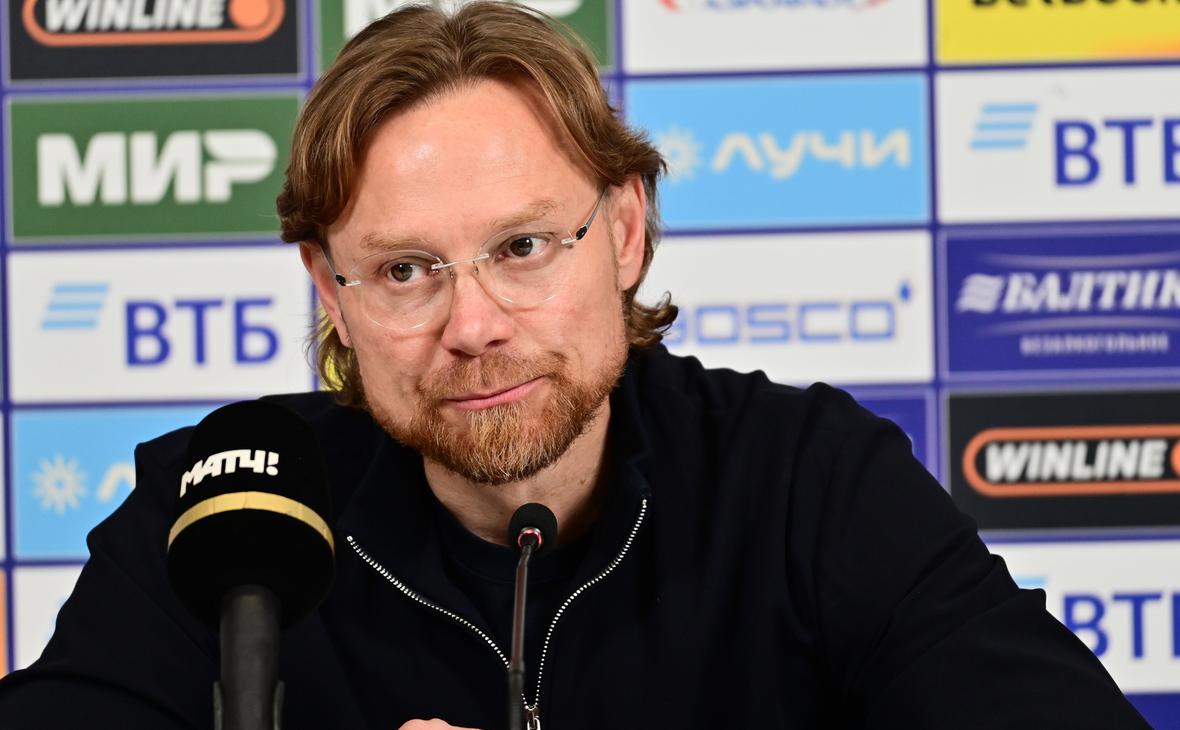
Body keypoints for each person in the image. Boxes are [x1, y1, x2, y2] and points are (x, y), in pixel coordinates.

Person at [0, 3, 1152, 729]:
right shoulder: (227, 501)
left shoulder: (805, 480)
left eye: (521, 248)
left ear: (626, 232)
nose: (473, 324)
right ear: (330, 291)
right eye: (404, 269)